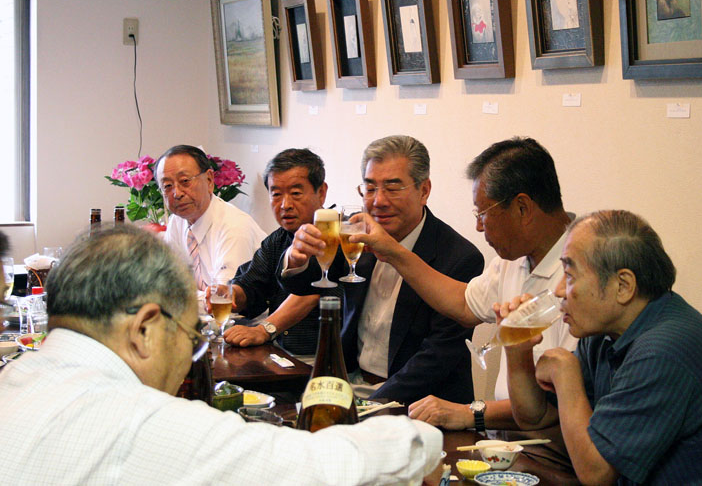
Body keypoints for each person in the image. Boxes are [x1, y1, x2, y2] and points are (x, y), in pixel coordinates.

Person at [0, 225, 443, 485]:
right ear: (145, 329)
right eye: (190, 335)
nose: (189, 356)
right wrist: (422, 439)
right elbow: (332, 468)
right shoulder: (142, 423)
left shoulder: (14, 378)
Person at [504, 210, 702, 485]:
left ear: (623, 286)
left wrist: (565, 375)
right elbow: (536, 417)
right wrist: (518, 351)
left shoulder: (663, 353)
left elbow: (596, 473)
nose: (559, 290)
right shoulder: (604, 334)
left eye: (570, 275)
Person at [356, 137, 577, 463]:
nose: (477, 226)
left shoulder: (578, 277)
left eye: (483, 213)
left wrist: (468, 413)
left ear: (522, 208)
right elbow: (463, 303)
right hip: (505, 445)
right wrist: (392, 251)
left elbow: (560, 407)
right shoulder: (513, 259)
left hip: (552, 453)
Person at [281, 135, 484, 405]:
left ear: (424, 190)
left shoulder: (459, 258)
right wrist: (296, 258)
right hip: (349, 384)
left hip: (416, 403)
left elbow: (438, 356)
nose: (378, 201)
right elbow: (305, 284)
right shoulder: (355, 234)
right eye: (370, 188)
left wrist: (370, 408)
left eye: (392, 188)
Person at [223, 148, 328, 356]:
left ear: (321, 192)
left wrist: (264, 330)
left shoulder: (337, 236)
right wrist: (230, 294)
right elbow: (251, 283)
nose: (285, 205)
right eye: (276, 194)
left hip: (318, 358)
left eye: (296, 194)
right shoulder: (277, 239)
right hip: (279, 353)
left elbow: (311, 293)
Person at [156, 145, 265, 292]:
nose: (177, 193)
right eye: (167, 185)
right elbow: (168, 282)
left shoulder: (234, 226)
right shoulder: (177, 221)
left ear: (209, 180)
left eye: (185, 181)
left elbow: (224, 296)